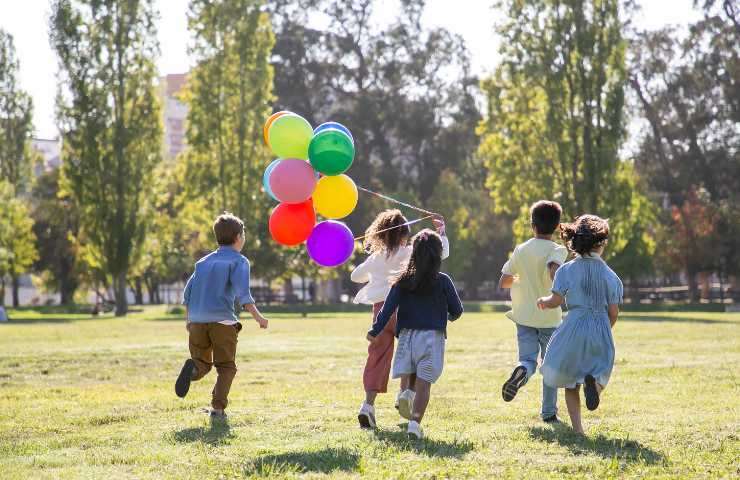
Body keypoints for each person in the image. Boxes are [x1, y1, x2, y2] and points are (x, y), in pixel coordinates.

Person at [351, 210, 449, 429]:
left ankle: (367, 406)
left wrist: (375, 269)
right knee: (412, 354)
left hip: (380, 313)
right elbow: (440, 254)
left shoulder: (376, 257)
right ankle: (405, 394)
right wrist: (441, 231)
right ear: (405, 234)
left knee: (377, 358)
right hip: (405, 310)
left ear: (382, 235)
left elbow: (355, 276)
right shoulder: (410, 253)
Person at [367, 229, 463, 439]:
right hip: (432, 338)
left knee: (411, 371)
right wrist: (448, 316)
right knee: (424, 384)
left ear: (414, 253)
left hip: (407, 337)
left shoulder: (402, 280)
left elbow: (387, 309)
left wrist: (375, 330)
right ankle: (414, 423)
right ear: (438, 255)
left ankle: (406, 393)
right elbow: (457, 310)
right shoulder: (443, 280)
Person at [175, 212, 269, 420]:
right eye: (243, 233)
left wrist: (189, 321)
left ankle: (192, 370)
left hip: (197, 321)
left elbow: (187, 294)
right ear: (238, 237)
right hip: (222, 321)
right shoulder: (239, 261)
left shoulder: (202, 263)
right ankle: (217, 410)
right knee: (226, 366)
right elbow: (244, 295)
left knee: (203, 364)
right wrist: (259, 318)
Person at [537, 214, 623, 434]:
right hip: (600, 327)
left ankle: (578, 430)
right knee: (600, 371)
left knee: (570, 381)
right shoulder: (611, 276)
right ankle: (594, 386)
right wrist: (604, 328)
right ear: (601, 243)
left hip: (573, 327)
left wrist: (544, 302)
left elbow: (556, 301)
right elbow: (613, 312)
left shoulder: (566, 270)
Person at [499, 200, 567, 423]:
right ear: (557, 227)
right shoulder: (558, 249)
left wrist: (522, 279)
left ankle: (521, 371)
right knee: (550, 366)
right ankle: (548, 413)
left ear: (532, 225)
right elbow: (553, 270)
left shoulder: (521, 249)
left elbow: (504, 281)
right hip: (549, 316)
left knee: (527, 360)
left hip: (524, 316)